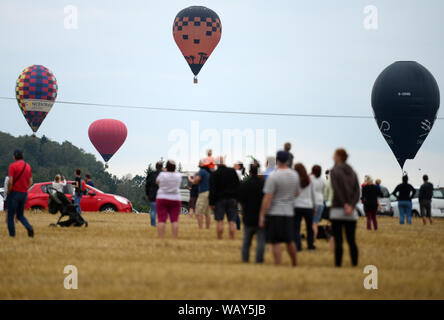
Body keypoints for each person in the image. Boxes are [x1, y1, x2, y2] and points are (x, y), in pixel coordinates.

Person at [259, 151, 300, 266]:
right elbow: (297, 193)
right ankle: (294, 263)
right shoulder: (294, 175)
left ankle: (278, 264)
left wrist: (262, 214)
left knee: (275, 240)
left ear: (277, 160)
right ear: (288, 160)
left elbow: (268, 197)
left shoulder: (273, 176)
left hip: (275, 212)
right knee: (290, 240)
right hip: (289, 212)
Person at [330, 148, 360, 267]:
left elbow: (336, 190)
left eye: (334, 155)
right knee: (351, 240)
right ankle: (354, 263)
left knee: (338, 241)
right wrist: (351, 205)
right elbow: (357, 191)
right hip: (351, 212)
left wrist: (344, 204)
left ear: (338, 157)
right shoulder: (353, 172)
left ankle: (338, 264)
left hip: (338, 209)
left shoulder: (334, 171)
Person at [238, 163, 265, 263]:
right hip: (261, 216)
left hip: (248, 215)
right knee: (261, 241)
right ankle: (259, 260)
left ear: (249, 172)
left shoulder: (245, 184)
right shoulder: (264, 184)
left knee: (246, 241)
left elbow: (240, 199)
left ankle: (245, 259)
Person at [209, 156, 240, 239]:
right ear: (224, 162)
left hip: (219, 200)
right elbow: (238, 186)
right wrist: (238, 198)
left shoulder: (214, 174)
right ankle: (232, 238)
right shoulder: (232, 171)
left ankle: (220, 238)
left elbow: (212, 189)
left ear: (216, 163)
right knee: (232, 221)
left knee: (219, 221)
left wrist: (211, 202)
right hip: (232, 199)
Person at [6, 150, 34, 238]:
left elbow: (10, 181)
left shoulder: (12, 166)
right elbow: (31, 181)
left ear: (14, 157)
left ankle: (12, 235)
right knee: (20, 215)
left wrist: (9, 191)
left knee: (10, 216)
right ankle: (29, 227)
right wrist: (25, 188)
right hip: (24, 193)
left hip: (14, 193)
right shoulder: (28, 166)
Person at [155, 160, 182, 238]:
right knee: (174, 220)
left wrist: (164, 171)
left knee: (161, 220)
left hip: (162, 197)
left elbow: (157, 182)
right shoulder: (178, 175)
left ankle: (161, 237)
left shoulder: (162, 175)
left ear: (166, 167)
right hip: (175, 198)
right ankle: (174, 237)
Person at [293, 163, 317, 251]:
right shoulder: (309, 180)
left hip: (297, 206)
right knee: (309, 228)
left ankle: (298, 246)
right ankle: (310, 246)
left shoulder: (294, 180)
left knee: (296, 228)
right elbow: (313, 194)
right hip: (308, 206)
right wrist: (315, 207)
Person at [191, 160, 212, 229]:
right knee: (207, 212)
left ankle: (200, 228)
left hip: (203, 193)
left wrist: (194, 176)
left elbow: (196, 181)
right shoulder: (210, 172)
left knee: (199, 211)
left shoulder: (202, 171)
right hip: (210, 193)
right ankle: (207, 228)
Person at [311, 165, 326, 241]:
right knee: (315, 223)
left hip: (311, 202)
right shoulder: (323, 180)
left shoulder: (310, 179)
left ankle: (311, 238)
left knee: (311, 223)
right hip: (320, 202)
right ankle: (313, 239)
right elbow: (324, 192)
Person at [145, 162, 163, 227]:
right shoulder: (164, 175)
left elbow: (147, 185)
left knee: (153, 210)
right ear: (162, 167)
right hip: (162, 194)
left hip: (152, 194)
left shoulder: (151, 174)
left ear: (156, 167)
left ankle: (153, 224)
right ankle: (161, 222)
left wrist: (147, 194)